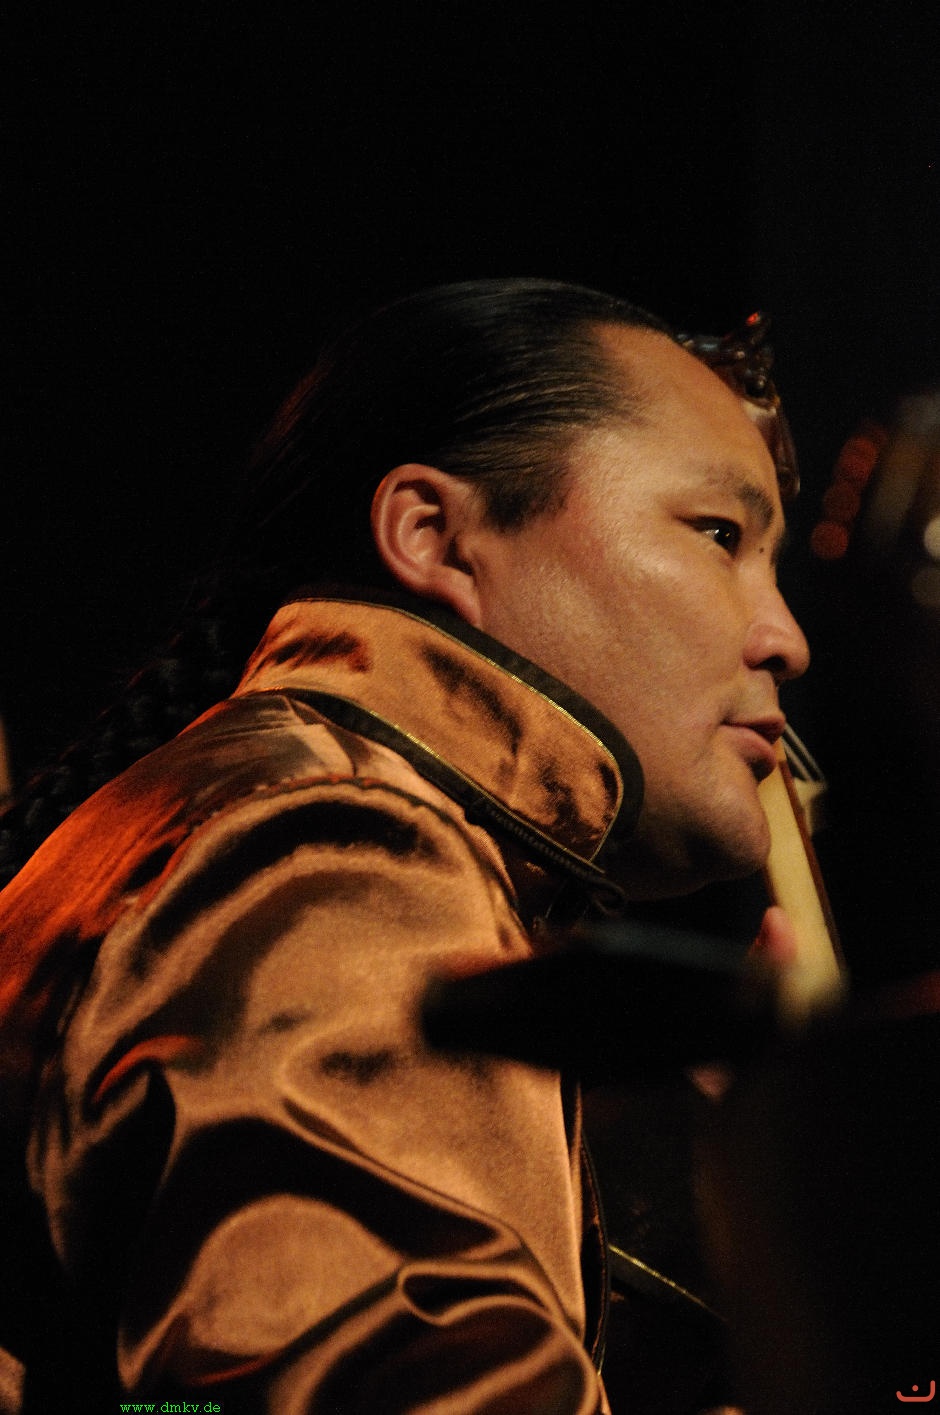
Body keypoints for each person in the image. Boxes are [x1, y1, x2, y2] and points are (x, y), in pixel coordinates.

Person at [0, 280, 808, 1413]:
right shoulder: (333, 842)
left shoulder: (286, 811)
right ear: (434, 535)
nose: (786, 638)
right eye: (720, 534)